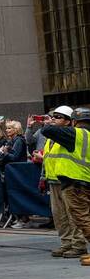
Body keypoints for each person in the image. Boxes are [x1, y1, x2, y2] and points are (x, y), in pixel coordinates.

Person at [37, 106, 86, 258]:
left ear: (68, 122)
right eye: (53, 116)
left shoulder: (68, 135)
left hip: (69, 180)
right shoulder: (52, 140)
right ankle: (67, 243)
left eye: (57, 117)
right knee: (59, 215)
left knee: (73, 215)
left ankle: (78, 245)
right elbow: (48, 159)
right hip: (54, 180)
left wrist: (46, 125)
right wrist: (43, 177)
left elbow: (47, 130)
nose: (53, 119)